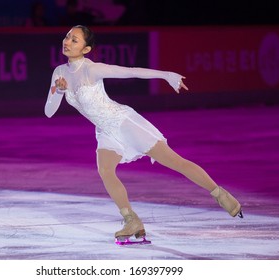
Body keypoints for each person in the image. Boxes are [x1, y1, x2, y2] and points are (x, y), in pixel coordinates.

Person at [44, 25, 243, 243]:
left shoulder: (92, 69)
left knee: (175, 162)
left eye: (74, 40)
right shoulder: (59, 73)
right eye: (67, 37)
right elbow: (49, 111)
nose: (67, 41)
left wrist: (166, 75)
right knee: (105, 171)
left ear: (86, 48)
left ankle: (221, 195)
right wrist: (59, 91)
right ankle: (131, 220)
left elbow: (131, 71)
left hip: (124, 122)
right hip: (105, 130)